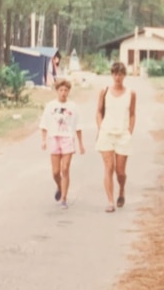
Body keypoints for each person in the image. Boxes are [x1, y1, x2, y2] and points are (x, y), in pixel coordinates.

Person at [95, 61, 137, 213]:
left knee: (120, 171)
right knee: (108, 167)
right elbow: (99, 111)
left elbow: (132, 114)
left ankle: (122, 189)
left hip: (122, 135)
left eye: (120, 74)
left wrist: (130, 130)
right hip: (106, 133)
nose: (117, 77)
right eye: (115, 74)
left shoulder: (131, 93)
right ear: (111, 75)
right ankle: (110, 201)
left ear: (124, 75)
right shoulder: (104, 91)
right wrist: (100, 127)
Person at [39, 78, 85, 209]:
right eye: (61, 90)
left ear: (69, 91)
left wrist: (81, 144)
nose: (63, 93)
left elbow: (78, 126)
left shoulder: (73, 107)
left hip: (67, 138)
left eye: (65, 90)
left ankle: (64, 198)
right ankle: (59, 186)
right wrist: (43, 140)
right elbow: (44, 124)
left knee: (65, 169)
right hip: (54, 138)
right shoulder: (50, 106)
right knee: (55, 172)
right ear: (57, 91)